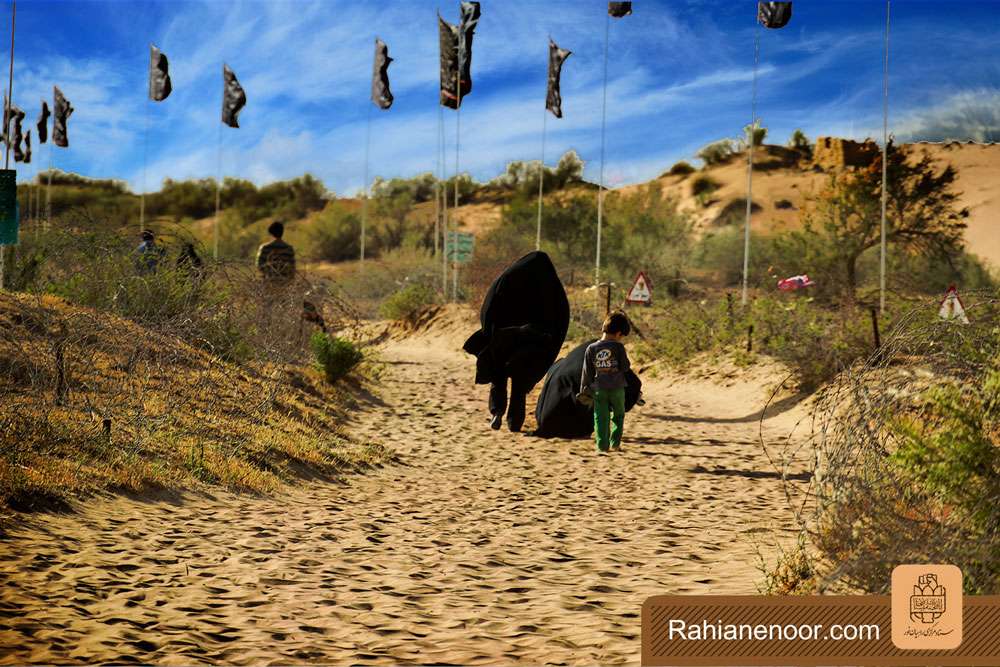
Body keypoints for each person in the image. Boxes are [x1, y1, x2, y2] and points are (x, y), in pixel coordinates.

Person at [579, 311, 632, 454]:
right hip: (617, 389)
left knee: (600, 417)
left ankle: (602, 446)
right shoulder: (618, 347)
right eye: (622, 337)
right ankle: (615, 444)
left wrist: (584, 388)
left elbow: (587, 371)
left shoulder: (591, 348)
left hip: (599, 389)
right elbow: (625, 367)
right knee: (618, 416)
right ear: (619, 333)